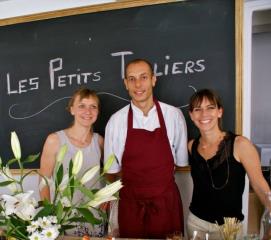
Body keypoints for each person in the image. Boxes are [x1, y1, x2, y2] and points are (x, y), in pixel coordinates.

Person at [104, 58, 188, 238]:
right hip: (130, 206)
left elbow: (181, 163)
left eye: (143, 77)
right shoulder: (115, 121)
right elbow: (111, 171)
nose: (138, 84)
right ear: (126, 83)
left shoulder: (174, 116)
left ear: (153, 79)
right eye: (132, 79)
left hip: (166, 204)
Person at [187, 89, 271, 240]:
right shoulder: (192, 146)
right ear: (191, 115)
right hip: (196, 223)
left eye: (210, 108)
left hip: (228, 227)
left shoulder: (240, 144)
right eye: (198, 109)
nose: (204, 114)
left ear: (220, 112)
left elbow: (259, 184)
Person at [39, 87, 105, 237]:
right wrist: (49, 216)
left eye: (93, 107)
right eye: (82, 106)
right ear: (72, 110)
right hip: (65, 216)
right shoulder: (54, 140)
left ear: (97, 112)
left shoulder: (99, 141)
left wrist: (106, 201)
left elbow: (111, 173)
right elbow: (44, 181)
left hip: (94, 216)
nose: (88, 111)